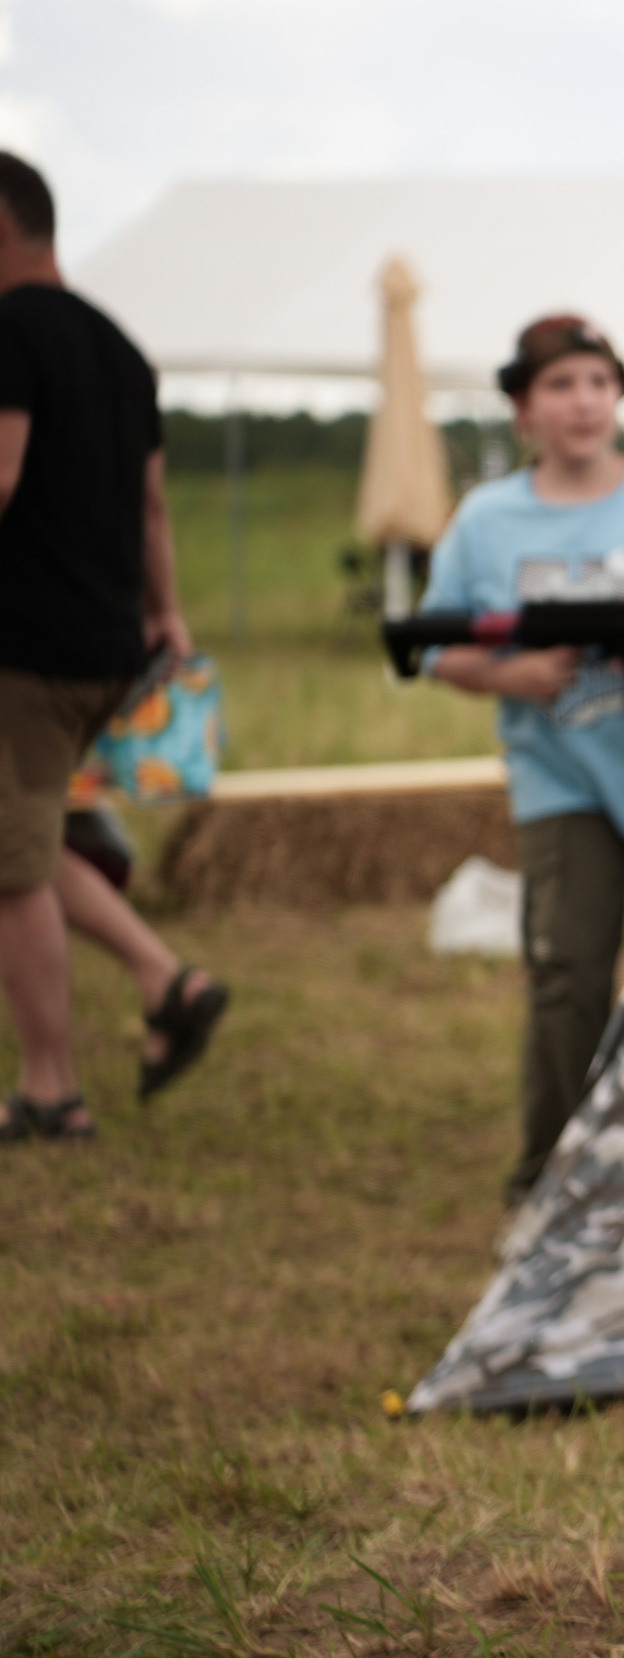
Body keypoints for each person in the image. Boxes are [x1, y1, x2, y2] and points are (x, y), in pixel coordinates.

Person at [416, 316, 624, 1204]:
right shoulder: (486, 520)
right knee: (568, 974)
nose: (584, 401)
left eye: (599, 382)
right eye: (561, 385)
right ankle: (556, 1181)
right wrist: (512, 674)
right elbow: (429, 645)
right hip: (559, 776)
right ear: (523, 407)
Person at [0, 152, 227, 1143]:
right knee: (29, 841)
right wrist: (164, 612)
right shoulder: (121, 346)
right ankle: (164, 978)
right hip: (106, 648)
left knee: (8, 874)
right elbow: (151, 503)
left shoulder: (6, 332)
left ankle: (51, 1090)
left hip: (20, 651)